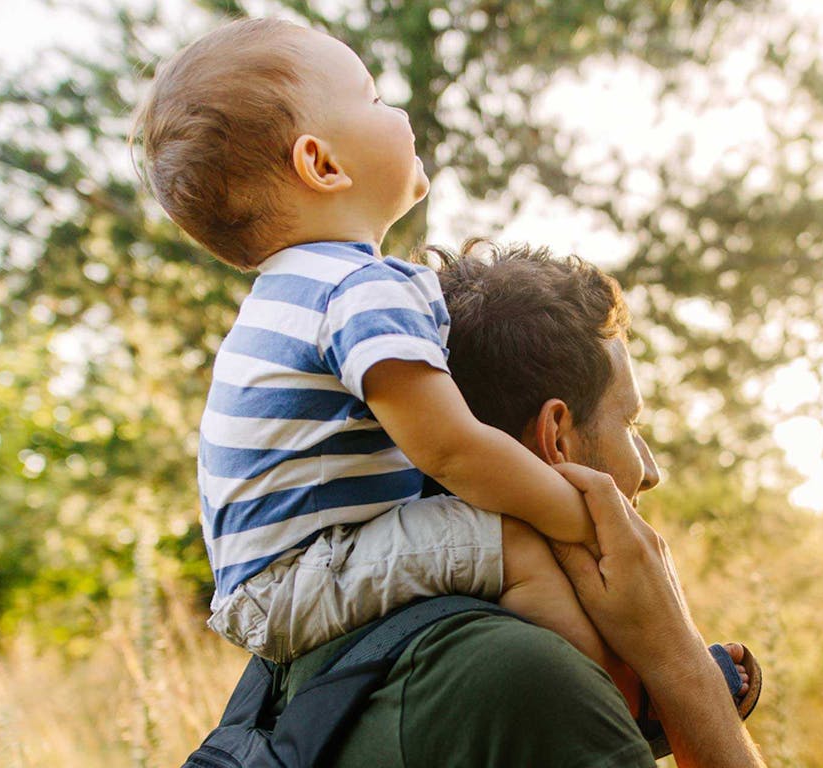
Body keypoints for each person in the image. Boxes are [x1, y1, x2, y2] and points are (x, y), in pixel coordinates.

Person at [132, 15, 752, 716]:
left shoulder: (286, 294)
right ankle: (620, 705)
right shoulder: (357, 287)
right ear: (322, 165)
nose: (396, 110)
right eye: (371, 99)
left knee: (471, 532)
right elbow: (453, 449)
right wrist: (579, 517)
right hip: (300, 576)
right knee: (513, 539)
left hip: (272, 577)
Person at [262, 242, 768, 767]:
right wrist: (680, 663)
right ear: (557, 438)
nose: (652, 470)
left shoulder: (331, 626)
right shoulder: (536, 681)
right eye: (630, 424)